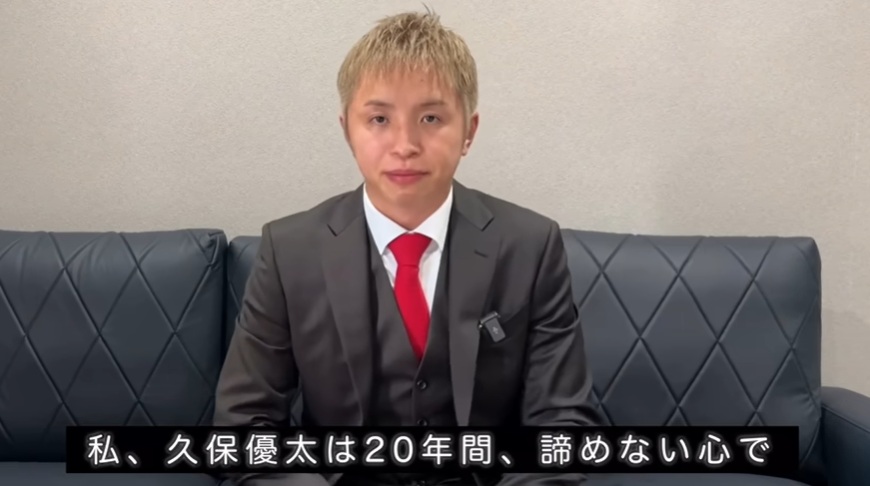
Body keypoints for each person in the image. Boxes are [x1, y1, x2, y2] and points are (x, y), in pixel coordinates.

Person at [214, 9, 599, 486]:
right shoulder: (290, 251)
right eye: (379, 119)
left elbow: (561, 424)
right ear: (347, 130)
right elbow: (244, 426)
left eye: (431, 118)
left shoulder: (531, 246)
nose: (405, 144)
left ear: (469, 131)